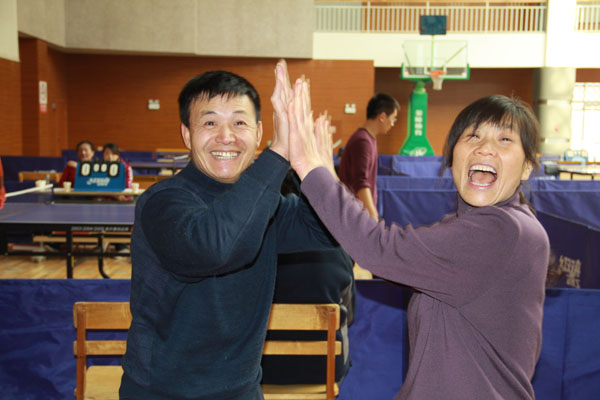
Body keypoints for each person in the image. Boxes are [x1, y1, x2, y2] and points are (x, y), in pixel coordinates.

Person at [288, 85, 550, 399]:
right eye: (473, 136)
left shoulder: (503, 231)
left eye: (504, 139)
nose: (485, 148)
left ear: (527, 166)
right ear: (452, 157)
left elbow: (377, 248)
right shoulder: (475, 226)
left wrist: (309, 168)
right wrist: (327, 177)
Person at [120, 62, 335, 399]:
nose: (226, 136)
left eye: (239, 122)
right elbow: (216, 248)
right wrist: (278, 153)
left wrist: (317, 170)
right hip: (162, 392)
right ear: (186, 135)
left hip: (241, 390)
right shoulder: (163, 203)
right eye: (210, 122)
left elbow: (328, 231)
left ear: (258, 133)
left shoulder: (266, 204)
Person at [261, 170, 355, 385]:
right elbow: (350, 316)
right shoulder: (337, 247)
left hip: (260, 373)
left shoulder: (252, 248)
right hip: (324, 372)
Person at [338, 93, 399, 221]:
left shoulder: (369, 139)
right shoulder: (363, 141)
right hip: (355, 215)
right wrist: (373, 217)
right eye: (393, 119)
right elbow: (361, 183)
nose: (393, 124)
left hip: (359, 214)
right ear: (382, 117)